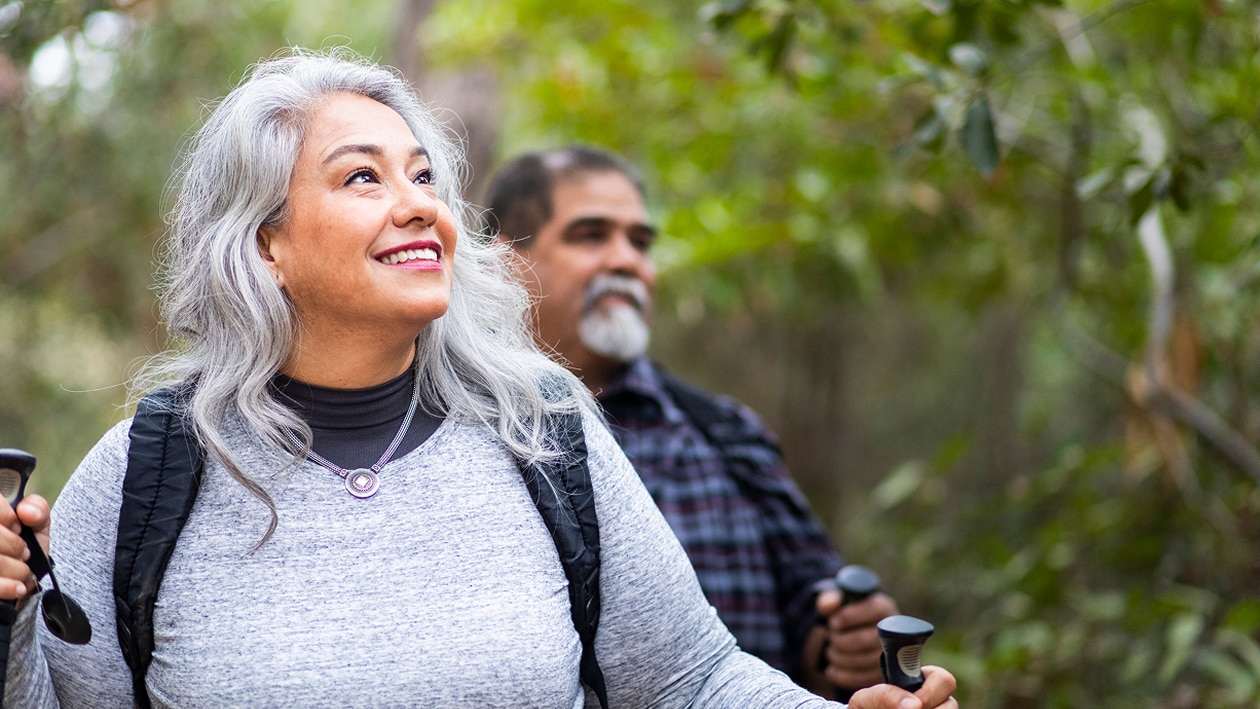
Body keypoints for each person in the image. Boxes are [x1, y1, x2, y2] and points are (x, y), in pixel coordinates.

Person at [0, 50, 955, 708]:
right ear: (265, 246)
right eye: (363, 178)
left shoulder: (543, 432)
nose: (420, 205)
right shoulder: (149, 468)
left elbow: (689, 682)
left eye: (424, 177)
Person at [484, 145, 902, 697]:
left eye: (639, 242)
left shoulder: (724, 433)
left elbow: (811, 608)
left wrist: (845, 642)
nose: (625, 261)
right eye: (591, 235)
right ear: (504, 260)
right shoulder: (452, 434)